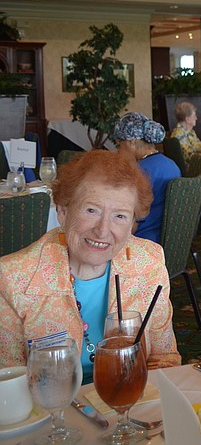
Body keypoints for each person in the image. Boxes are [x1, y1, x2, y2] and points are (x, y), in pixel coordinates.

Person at [0, 150, 180, 383]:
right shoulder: (13, 278)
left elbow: (164, 358)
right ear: (63, 212)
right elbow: (8, 382)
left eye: (120, 216)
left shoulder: (149, 263)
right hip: (52, 409)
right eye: (91, 210)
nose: (103, 230)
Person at [114, 112, 180, 245]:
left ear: (131, 141)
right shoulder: (172, 165)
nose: (118, 151)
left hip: (141, 241)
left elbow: (130, 222)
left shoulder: (139, 171)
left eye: (119, 144)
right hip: (167, 240)